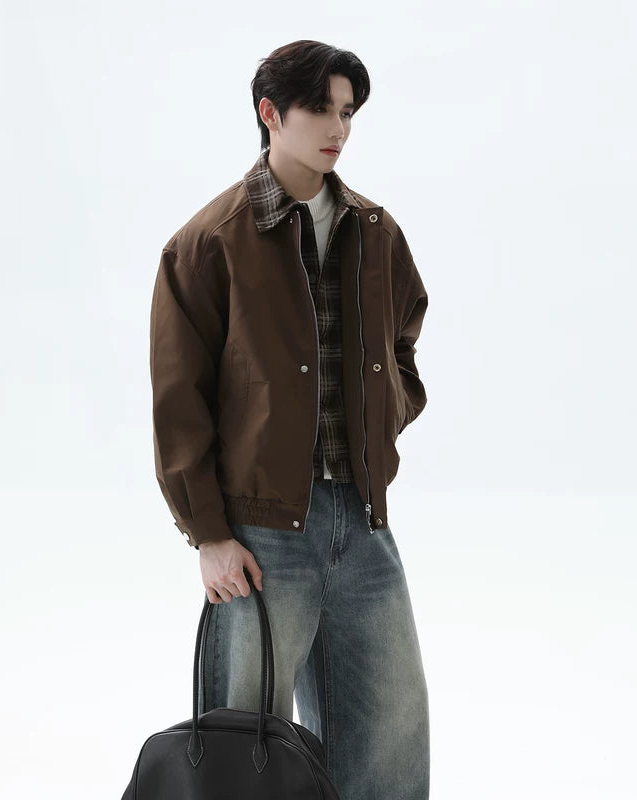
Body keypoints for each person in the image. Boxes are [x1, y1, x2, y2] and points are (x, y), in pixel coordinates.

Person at [149, 39, 430, 799]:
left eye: (348, 112)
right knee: (242, 749)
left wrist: (386, 416)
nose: (338, 128)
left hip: (363, 522)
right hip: (260, 535)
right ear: (270, 113)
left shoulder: (375, 232)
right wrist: (209, 534)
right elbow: (178, 403)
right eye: (320, 109)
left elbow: (403, 344)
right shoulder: (210, 243)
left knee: (389, 745)